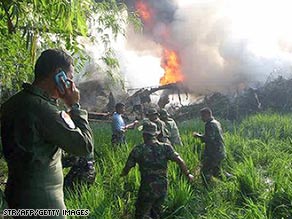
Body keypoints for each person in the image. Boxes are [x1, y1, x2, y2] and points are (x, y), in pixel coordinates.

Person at [0, 49, 94, 218]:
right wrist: (74, 106)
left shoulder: (11, 104)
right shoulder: (45, 111)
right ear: (59, 75)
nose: (72, 84)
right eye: (70, 78)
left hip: (15, 196)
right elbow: (85, 147)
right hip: (45, 205)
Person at [121, 119, 194, 219]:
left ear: (144, 135)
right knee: (157, 212)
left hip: (147, 186)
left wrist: (122, 175)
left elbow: (127, 167)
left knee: (142, 213)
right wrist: (188, 174)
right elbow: (179, 160)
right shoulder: (166, 147)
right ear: (155, 134)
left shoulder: (138, 149)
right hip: (162, 186)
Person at [193, 107, 226, 183]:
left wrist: (198, 136)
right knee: (217, 172)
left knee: (204, 172)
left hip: (214, 153)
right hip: (220, 151)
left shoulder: (210, 124)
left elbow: (210, 138)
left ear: (208, 114)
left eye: (202, 116)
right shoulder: (216, 122)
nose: (201, 118)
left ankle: (207, 188)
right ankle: (232, 179)